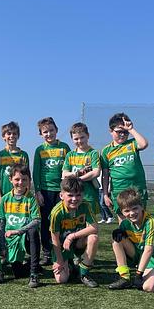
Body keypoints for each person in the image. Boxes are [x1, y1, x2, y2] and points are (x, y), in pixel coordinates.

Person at [107, 187, 154, 292]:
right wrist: (117, 231)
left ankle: (146, 274)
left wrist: (139, 274)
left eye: (135, 208)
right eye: (127, 211)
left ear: (142, 206)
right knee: (116, 240)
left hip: (153, 259)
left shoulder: (151, 221)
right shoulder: (125, 223)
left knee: (149, 287)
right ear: (122, 212)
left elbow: (149, 250)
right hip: (137, 255)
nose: (131, 213)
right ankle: (125, 277)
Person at [32, 117, 70, 266]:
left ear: (57, 130)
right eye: (45, 132)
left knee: (62, 221)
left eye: (51, 130)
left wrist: (66, 189)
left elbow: (69, 167)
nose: (49, 134)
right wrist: (38, 192)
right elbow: (36, 172)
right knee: (46, 222)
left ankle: (63, 251)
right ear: (40, 134)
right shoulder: (40, 150)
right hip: (45, 191)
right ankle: (47, 253)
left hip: (61, 191)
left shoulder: (65, 147)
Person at [0, 165, 41, 288]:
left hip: (25, 237)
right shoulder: (5, 199)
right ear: (10, 179)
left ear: (29, 180)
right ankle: (33, 265)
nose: (20, 183)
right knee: (18, 272)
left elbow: (37, 220)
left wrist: (18, 231)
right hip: (11, 239)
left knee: (33, 231)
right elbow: (1, 224)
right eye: (17, 179)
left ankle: (34, 273)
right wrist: (2, 247)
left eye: (24, 179)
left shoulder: (31, 199)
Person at [50, 176, 99, 287]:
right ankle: (70, 264)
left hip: (78, 242)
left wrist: (71, 236)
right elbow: (54, 239)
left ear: (83, 195)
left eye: (78, 195)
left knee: (93, 237)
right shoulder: (56, 212)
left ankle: (84, 273)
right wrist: (59, 260)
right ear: (61, 195)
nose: (74, 199)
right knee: (62, 279)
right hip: (62, 246)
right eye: (70, 195)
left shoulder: (85, 205)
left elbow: (94, 227)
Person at [100, 113, 148, 220]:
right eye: (119, 131)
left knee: (140, 219)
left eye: (125, 132)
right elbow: (105, 175)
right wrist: (105, 195)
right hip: (119, 189)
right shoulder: (106, 151)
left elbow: (144, 144)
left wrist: (131, 129)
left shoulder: (132, 143)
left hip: (137, 188)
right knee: (123, 221)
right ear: (111, 131)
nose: (122, 134)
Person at [62, 122, 102, 217]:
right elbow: (64, 174)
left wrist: (77, 179)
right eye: (76, 139)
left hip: (89, 195)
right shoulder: (70, 155)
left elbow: (96, 172)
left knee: (91, 222)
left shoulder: (93, 153)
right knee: (74, 221)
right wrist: (77, 174)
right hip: (73, 197)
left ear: (88, 136)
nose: (79, 141)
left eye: (82, 137)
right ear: (72, 139)